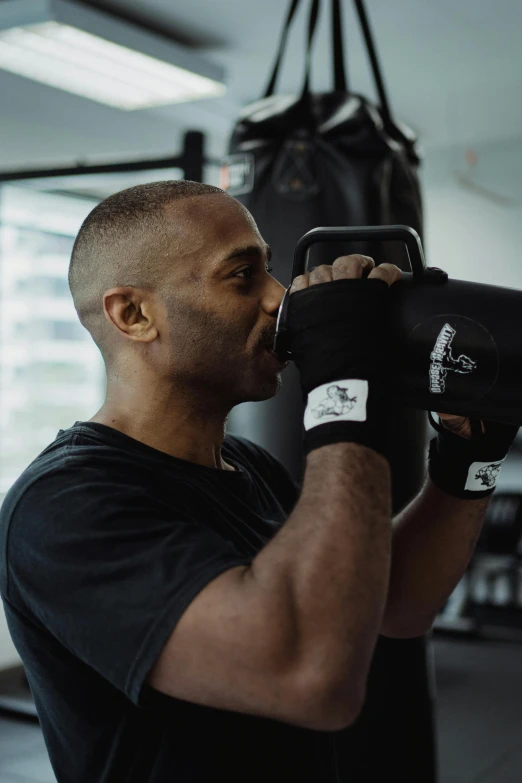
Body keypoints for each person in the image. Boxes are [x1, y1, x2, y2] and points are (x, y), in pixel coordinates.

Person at [0, 180, 518, 783]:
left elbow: (394, 605)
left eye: (270, 271)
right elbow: (309, 676)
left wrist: (465, 461)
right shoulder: (63, 505)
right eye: (243, 276)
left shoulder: (247, 465)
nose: (278, 298)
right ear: (134, 315)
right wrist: (343, 384)